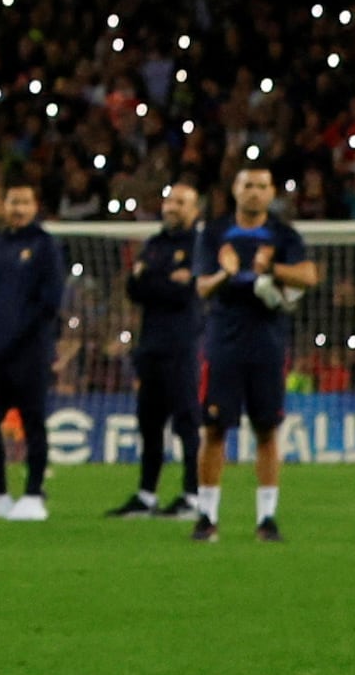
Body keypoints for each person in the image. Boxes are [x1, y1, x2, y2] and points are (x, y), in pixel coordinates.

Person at [193, 164, 317, 544]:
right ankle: (207, 516)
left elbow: (310, 276)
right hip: (223, 344)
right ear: (235, 189)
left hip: (267, 344)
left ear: (271, 192)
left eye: (262, 186)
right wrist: (225, 275)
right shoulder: (214, 233)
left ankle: (266, 518)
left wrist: (272, 269)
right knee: (214, 430)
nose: (254, 192)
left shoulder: (282, 234)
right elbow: (201, 288)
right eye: (248, 185)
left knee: (267, 430)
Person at [0, 181, 68, 522]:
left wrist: (18, 333)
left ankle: (34, 494)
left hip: (30, 350)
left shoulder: (45, 246)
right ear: (3, 205)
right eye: (13, 202)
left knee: (33, 420)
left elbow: (50, 301)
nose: (18, 209)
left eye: (25, 202)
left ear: (35, 207)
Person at [111, 177, 210, 519]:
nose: (171, 207)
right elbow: (133, 289)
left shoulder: (200, 245)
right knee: (149, 422)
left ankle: (192, 495)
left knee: (186, 420)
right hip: (150, 344)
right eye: (169, 201)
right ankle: (146, 495)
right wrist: (164, 279)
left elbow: (186, 292)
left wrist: (152, 279)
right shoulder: (153, 243)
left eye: (181, 202)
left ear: (195, 211)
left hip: (183, 344)